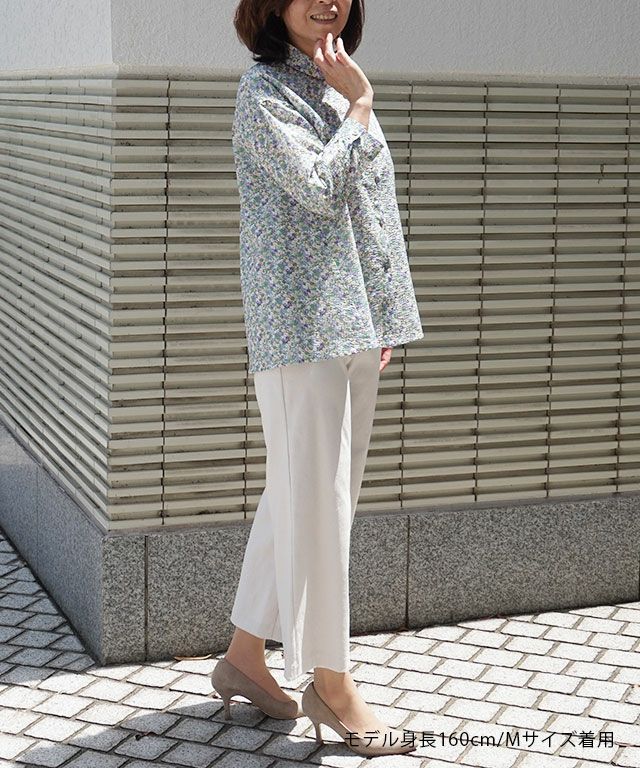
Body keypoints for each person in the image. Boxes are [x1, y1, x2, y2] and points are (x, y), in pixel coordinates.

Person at [210, 0, 423, 757]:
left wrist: (384, 314)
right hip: (301, 327)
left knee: (300, 494)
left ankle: (244, 656)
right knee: (322, 504)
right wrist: (361, 106)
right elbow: (321, 189)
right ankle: (332, 684)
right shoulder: (264, 91)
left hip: (353, 323)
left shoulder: (336, 84)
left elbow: (372, 212)